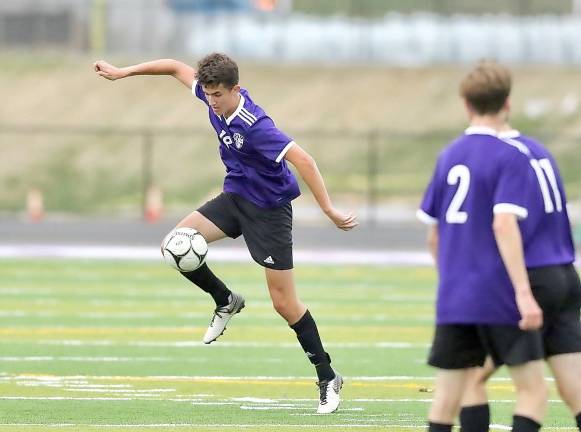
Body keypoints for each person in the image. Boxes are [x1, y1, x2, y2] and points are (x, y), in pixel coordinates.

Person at [93, 53, 358, 414]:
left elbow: (304, 160)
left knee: (284, 304)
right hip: (235, 197)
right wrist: (124, 72)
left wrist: (328, 209)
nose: (212, 101)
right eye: (208, 93)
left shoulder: (256, 124)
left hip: (269, 211)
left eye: (218, 94)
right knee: (174, 244)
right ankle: (226, 299)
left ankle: (328, 377)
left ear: (235, 89)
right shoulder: (208, 95)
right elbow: (172, 66)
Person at [417, 60, 547, 432]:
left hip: (456, 296)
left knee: (446, 400)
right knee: (533, 392)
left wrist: (452, 280)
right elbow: (504, 223)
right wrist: (524, 293)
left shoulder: (448, 155)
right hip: (498, 294)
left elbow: (434, 235)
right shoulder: (511, 156)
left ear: (466, 105)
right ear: (507, 104)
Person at [459, 125, 581, 432]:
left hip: (530, 279)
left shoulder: (501, 156)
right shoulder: (538, 149)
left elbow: (503, 224)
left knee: (469, 377)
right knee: (575, 389)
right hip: (565, 275)